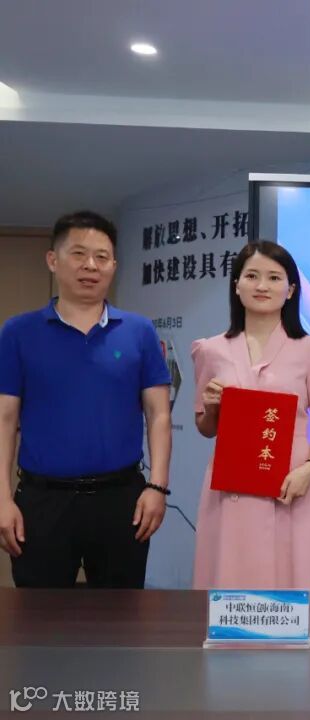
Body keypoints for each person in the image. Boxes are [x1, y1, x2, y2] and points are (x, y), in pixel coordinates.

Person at [0, 210, 172, 588]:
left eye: (101, 257)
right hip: (42, 501)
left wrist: (157, 487)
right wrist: (2, 498)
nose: (90, 266)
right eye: (78, 254)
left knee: (121, 615)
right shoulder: (17, 333)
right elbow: (5, 420)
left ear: (114, 266)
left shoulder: (139, 331)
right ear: (53, 260)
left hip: (122, 500)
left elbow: (158, 414)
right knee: (39, 615)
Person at [191, 241, 310, 590]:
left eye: (274, 278)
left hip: (294, 484)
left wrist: (309, 468)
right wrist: (212, 407)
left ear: (290, 290)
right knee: (233, 583)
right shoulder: (210, 350)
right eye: (252, 276)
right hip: (232, 487)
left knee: (297, 583)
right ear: (236, 285)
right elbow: (206, 427)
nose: (262, 286)